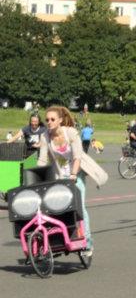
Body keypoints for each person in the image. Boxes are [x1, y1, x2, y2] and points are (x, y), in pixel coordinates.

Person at [36, 106, 109, 262]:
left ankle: (87, 243)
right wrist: (37, 178)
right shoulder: (45, 136)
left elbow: (77, 156)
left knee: (79, 207)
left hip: (76, 174)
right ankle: (59, 240)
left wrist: (74, 174)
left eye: (52, 119)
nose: (49, 122)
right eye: (47, 120)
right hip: (59, 176)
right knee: (55, 208)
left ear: (60, 120)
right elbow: (42, 160)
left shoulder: (71, 133)